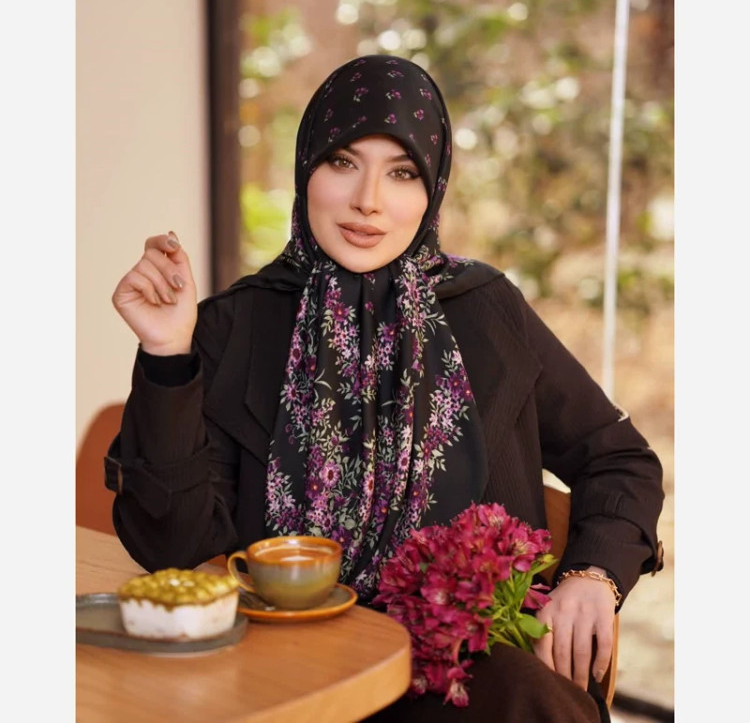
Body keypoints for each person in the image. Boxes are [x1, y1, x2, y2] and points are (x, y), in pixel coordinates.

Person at [107, 54, 664, 722]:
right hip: (285, 671)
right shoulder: (235, 325)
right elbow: (173, 547)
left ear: (433, 187)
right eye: (342, 162)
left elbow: (619, 459)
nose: (368, 200)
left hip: (464, 677)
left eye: (402, 172)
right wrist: (167, 353)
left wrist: (592, 575)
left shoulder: (486, 311)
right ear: (305, 169)